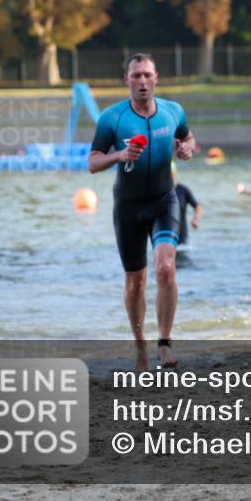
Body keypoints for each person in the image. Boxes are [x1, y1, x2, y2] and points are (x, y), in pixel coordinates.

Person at [88, 53, 196, 372]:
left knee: (166, 268)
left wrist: (187, 148)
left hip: (164, 199)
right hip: (128, 207)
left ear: (156, 77)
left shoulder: (172, 111)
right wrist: (119, 154)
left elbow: (187, 138)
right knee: (135, 281)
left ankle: (164, 342)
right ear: (127, 80)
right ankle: (140, 348)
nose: (142, 81)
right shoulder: (112, 118)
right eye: (136, 76)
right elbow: (93, 162)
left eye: (147, 75)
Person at [171, 161, 201, 248]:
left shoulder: (183, 190)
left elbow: (197, 207)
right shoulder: (160, 191)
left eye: (171, 174)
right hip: (165, 234)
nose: (169, 177)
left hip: (182, 238)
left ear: (175, 173)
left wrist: (196, 219)